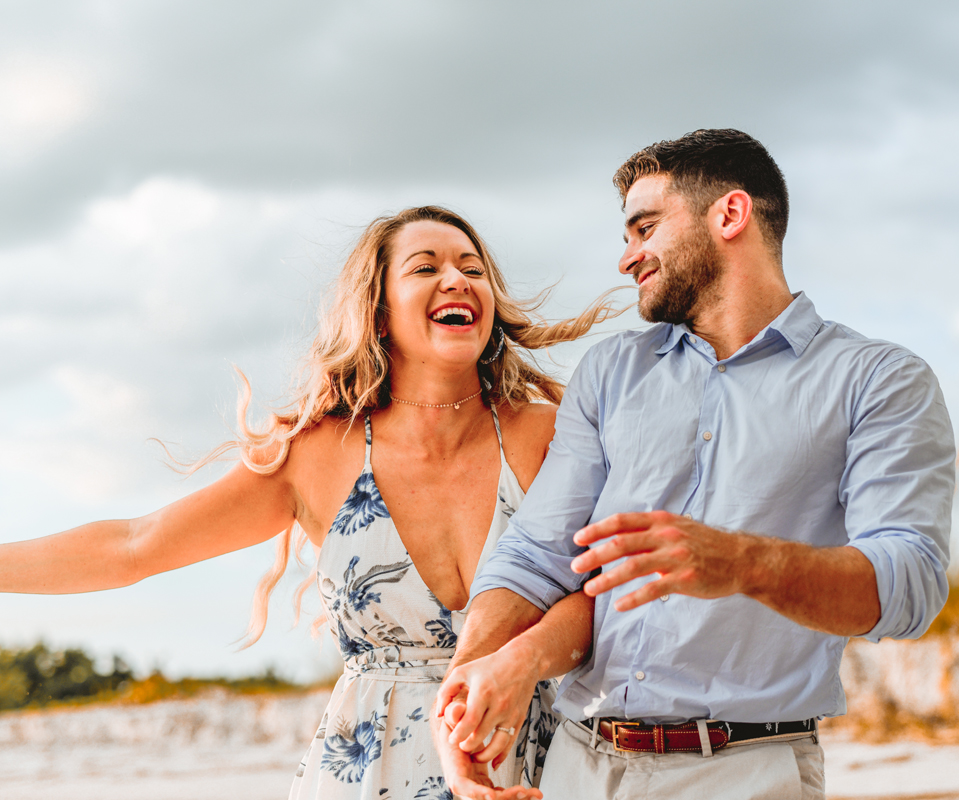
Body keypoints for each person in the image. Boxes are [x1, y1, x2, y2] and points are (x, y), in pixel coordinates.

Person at [0, 205, 626, 800]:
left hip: (533, 759)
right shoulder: (316, 454)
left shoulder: (551, 434)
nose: (456, 280)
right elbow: (133, 546)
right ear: (378, 312)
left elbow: (611, 593)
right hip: (367, 767)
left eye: (472, 268)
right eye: (425, 267)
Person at [432, 130, 956, 800]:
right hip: (577, 766)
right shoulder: (611, 372)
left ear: (730, 216)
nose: (626, 258)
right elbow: (534, 556)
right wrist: (469, 689)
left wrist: (741, 562)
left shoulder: (879, 381)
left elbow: (908, 583)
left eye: (644, 227)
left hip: (743, 771)